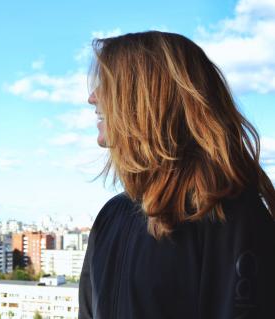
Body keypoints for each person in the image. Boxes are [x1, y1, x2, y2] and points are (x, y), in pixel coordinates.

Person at [78, 31, 275, 319]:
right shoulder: (111, 216)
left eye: (109, 85)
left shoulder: (229, 218)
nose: (92, 98)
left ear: (152, 98)